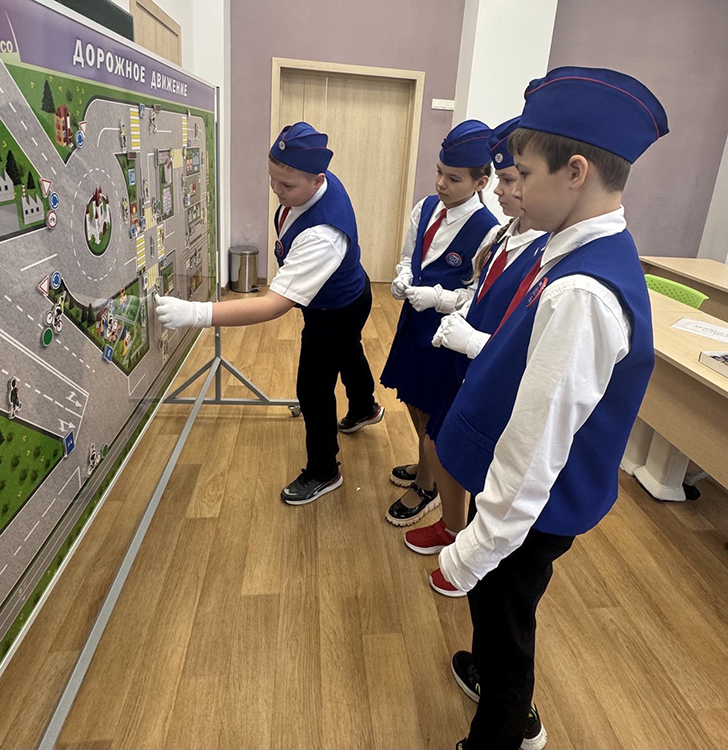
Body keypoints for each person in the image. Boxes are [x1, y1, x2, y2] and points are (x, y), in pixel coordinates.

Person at [434, 67, 668, 749]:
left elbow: (538, 446)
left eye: (524, 175)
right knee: (498, 606)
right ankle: (492, 677)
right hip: (524, 499)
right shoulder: (567, 248)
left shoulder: (583, 293)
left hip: (534, 506)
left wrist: (473, 545)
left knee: (506, 612)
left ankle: (506, 728)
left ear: (575, 173)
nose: (512, 191)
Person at [155, 122, 382, 505]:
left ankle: (324, 471)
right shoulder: (314, 181)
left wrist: (196, 313)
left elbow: (275, 304)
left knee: (312, 388)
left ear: (318, 180)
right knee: (348, 350)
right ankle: (364, 407)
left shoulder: (323, 235)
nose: (277, 190)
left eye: (286, 185)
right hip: (351, 293)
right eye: (272, 179)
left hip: (335, 309)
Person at [402, 116, 550, 598]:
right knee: (441, 441)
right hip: (467, 360)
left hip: (491, 374)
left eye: (514, 179)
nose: (505, 191)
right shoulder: (506, 235)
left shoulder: (547, 253)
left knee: (473, 460)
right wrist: (456, 310)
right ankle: (454, 526)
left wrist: (466, 330)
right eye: (505, 179)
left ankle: (467, 543)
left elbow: (530, 345)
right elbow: (480, 290)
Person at [380, 120, 498, 526]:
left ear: (481, 182)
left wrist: (440, 298)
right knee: (413, 399)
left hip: (446, 333)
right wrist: (403, 276)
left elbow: (479, 295)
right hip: (413, 322)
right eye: (439, 172)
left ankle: (427, 484)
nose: (441, 184)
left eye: (453, 178)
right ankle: (424, 464)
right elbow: (410, 253)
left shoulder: (488, 231)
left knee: (432, 408)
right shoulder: (426, 208)